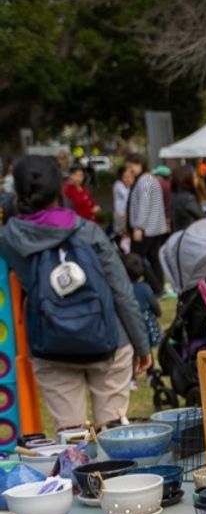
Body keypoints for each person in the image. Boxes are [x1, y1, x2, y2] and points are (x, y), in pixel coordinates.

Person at [0, 156, 150, 430]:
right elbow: (122, 291)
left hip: (50, 343)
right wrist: (142, 345)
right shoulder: (88, 231)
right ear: (60, 187)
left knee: (71, 437)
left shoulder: (10, 239)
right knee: (113, 434)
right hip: (110, 340)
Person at [124, 154, 169, 295]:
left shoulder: (144, 181)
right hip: (156, 227)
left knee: (136, 259)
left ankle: (155, 287)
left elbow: (144, 205)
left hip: (146, 229)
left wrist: (139, 227)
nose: (130, 170)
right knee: (154, 259)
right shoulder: (151, 179)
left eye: (131, 167)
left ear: (139, 165)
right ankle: (159, 287)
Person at [123, 253, 162, 350]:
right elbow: (155, 306)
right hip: (146, 323)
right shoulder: (144, 288)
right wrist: (157, 313)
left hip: (130, 323)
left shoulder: (123, 290)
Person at [169, 166, 205, 232]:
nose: (197, 180)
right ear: (186, 179)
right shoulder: (188, 198)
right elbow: (202, 217)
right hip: (189, 234)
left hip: (179, 233)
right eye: (194, 177)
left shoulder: (175, 195)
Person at [111, 160, 136, 236]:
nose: (127, 179)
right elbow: (128, 198)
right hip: (121, 216)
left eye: (130, 177)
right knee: (122, 236)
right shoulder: (118, 185)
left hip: (128, 216)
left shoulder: (132, 186)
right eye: (125, 177)